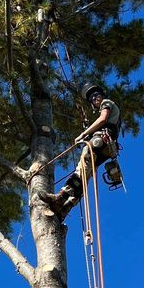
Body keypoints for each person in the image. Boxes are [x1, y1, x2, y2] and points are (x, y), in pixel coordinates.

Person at [39, 83, 120, 216]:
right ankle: (67, 206)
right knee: (85, 172)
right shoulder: (112, 115)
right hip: (107, 147)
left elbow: (102, 119)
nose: (94, 98)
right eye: (92, 98)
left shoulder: (107, 103)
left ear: (102, 96)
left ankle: (61, 197)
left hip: (102, 141)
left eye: (96, 95)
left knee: (83, 166)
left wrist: (83, 134)